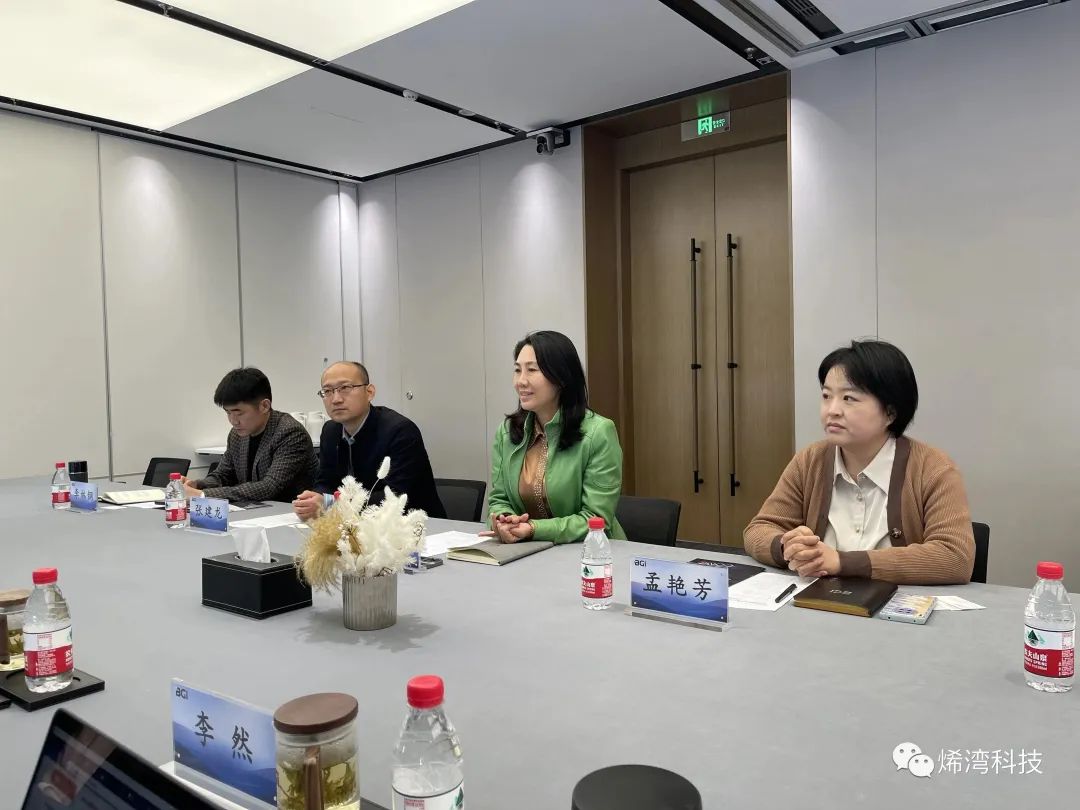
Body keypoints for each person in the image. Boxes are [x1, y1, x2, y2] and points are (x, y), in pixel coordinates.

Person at [744, 340, 975, 585]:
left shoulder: (933, 469)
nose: (832, 410)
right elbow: (759, 529)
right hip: (818, 602)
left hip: (896, 606)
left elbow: (956, 557)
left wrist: (842, 562)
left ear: (890, 413)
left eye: (849, 398)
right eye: (826, 396)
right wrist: (788, 547)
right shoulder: (810, 461)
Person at [485, 330, 624, 544]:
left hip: (591, 552)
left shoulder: (599, 432)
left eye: (532, 370)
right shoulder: (507, 432)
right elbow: (499, 499)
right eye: (517, 370)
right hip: (526, 552)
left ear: (561, 378)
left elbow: (596, 518)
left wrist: (534, 529)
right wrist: (504, 521)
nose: (521, 381)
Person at [292, 362, 446, 520]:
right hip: (351, 524)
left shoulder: (400, 431)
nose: (336, 399)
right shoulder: (330, 430)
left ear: (369, 392)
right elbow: (325, 482)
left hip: (413, 525)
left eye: (345, 388)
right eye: (327, 391)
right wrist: (314, 500)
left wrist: (329, 503)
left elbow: (393, 497)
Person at [184, 368, 316, 503]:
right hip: (253, 511)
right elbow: (223, 475)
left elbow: (269, 487)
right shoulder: (236, 435)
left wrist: (202, 495)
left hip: (289, 511)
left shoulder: (290, 432)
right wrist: (197, 485)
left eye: (239, 413)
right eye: (228, 413)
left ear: (264, 406)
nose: (233, 421)